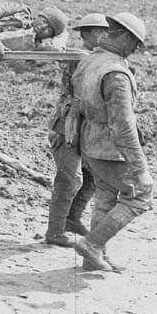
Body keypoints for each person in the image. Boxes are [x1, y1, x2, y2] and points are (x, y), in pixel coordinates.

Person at [71, 12, 153, 271]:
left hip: (89, 143)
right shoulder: (116, 74)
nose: (135, 49)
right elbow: (123, 126)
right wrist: (140, 170)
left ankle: (93, 258)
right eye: (135, 44)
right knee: (140, 195)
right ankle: (92, 245)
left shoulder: (91, 60)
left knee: (106, 195)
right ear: (126, 37)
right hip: (109, 148)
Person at [45, 13, 109, 247]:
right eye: (99, 32)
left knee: (93, 176)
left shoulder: (99, 58)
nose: (104, 36)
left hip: (87, 128)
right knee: (70, 178)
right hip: (67, 127)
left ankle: (72, 218)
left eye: (106, 32)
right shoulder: (77, 58)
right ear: (86, 34)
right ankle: (54, 232)